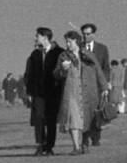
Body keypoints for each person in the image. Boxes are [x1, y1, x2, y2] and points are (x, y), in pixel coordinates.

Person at [54, 30, 108, 154]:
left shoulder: (88, 55)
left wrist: (104, 87)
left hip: (88, 91)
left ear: (76, 41)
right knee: (73, 118)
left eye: (69, 42)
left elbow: (98, 71)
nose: (67, 44)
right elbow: (56, 74)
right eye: (66, 42)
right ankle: (76, 146)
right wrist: (62, 69)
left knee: (87, 118)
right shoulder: (63, 56)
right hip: (71, 92)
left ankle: (84, 143)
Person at [23, 26, 63, 155]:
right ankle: (40, 144)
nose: (35, 38)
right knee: (39, 117)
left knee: (51, 119)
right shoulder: (35, 54)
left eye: (37, 36)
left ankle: (49, 146)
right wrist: (29, 92)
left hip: (53, 92)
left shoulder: (59, 52)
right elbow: (29, 74)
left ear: (45, 37)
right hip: (38, 93)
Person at [79, 23, 111, 146]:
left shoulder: (102, 48)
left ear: (93, 34)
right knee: (85, 113)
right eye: (84, 34)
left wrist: (106, 84)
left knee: (97, 112)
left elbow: (106, 67)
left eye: (88, 34)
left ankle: (96, 138)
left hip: (98, 86)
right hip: (84, 86)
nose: (85, 36)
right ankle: (84, 139)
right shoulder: (78, 47)